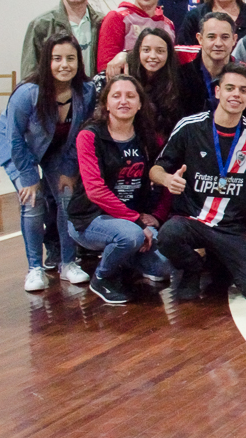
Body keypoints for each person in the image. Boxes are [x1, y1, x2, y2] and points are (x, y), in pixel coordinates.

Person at [152, 62, 246, 300]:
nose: (235, 94)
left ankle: (218, 261)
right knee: (167, 235)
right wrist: (167, 179)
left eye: (242, 90)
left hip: (230, 227)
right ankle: (192, 267)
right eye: (230, 88)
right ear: (218, 92)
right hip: (192, 220)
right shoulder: (190, 127)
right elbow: (155, 169)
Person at [0, 33, 96, 291]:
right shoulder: (27, 94)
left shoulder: (86, 91)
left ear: (78, 62)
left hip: (58, 148)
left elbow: (82, 132)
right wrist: (28, 178)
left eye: (71, 58)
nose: (65, 65)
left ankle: (68, 263)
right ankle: (34, 268)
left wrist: (70, 169)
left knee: (66, 199)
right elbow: (15, 138)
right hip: (19, 149)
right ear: (46, 62)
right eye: (57, 58)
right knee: (33, 202)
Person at [67, 75, 173, 304]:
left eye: (130, 96)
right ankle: (102, 278)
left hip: (134, 220)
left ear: (140, 103)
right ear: (106, 103)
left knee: (164, 266)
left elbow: (166, 176)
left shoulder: (148, 138)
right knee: (130, 236)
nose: (123, 101)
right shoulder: (89, 136)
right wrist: (136, 221)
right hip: (90, 219)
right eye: (116, 96)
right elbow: (95, 191)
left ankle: (123, 258)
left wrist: (157, 216)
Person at [175, 12, 246, 132]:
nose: (218, 43)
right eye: (211, 37)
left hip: (231, 143)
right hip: (190, 142)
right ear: (200, 39)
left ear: (234, 40)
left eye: (225, 37)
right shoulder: (182, 69)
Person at [21, 0, 105, 79]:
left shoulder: (103, 23)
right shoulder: (41, 25)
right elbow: (29, 75)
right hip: (55, 96)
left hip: (92, 95)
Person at [93, 28, 184, 136]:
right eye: (146, 50)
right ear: (138, 51)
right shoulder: (115, 75)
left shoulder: (174, 82)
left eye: (160, 51)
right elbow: (95, 118)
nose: (153, 56)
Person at [95, 0, 174, 73]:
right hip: (126, 87)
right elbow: (105, 68)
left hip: (160, 88)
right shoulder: (117, 17)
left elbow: (170, 66)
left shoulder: (168, 25)